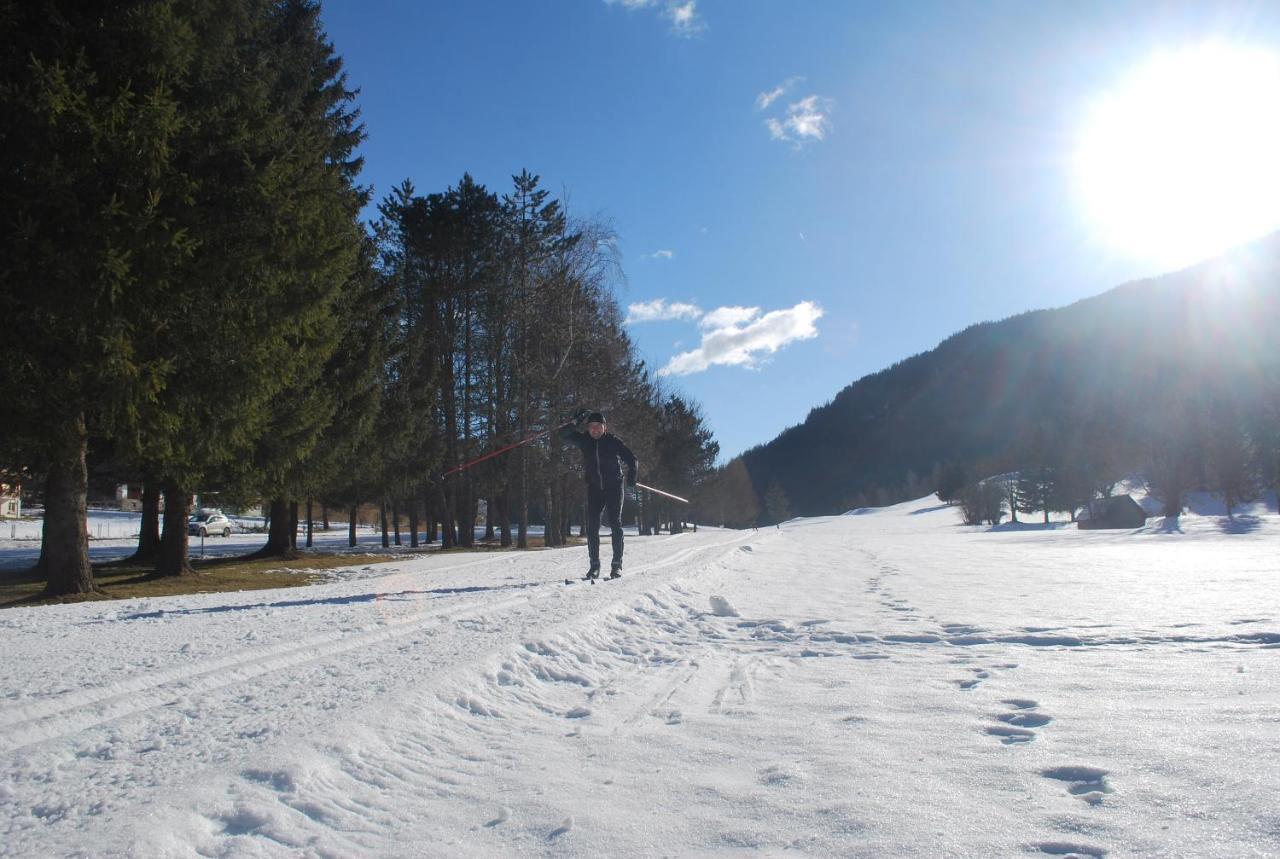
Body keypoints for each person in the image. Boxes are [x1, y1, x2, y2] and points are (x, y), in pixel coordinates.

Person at [560, 409, 637, 580]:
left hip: (614, 487)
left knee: (615, 524)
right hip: (595, 488)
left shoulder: (613, 442)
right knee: (592, 526)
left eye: (598, 427)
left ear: (605, 427)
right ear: (588, 428)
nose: (595, 430)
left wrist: (631, 479)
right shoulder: (584, 440)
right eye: (591, 427)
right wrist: (574, 422)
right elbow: (563, 434)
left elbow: (632, 460)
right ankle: (594, 566)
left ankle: (617, 565)